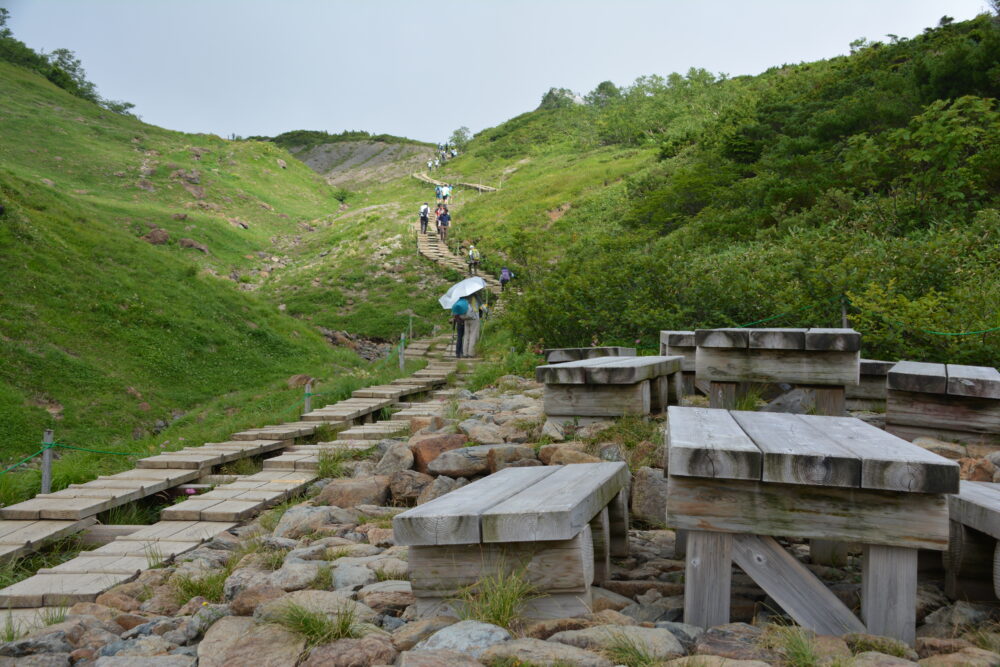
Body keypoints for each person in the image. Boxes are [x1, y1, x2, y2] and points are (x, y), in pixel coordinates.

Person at [462, 291, 482, 357]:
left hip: (466, 318)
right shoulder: (476, 296)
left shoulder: (464, 297)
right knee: (473, 335)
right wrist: (487, 312)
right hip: (474, 317)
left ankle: (464, 353)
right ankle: (471, 353)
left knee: (466, 336)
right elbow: (482, 306)